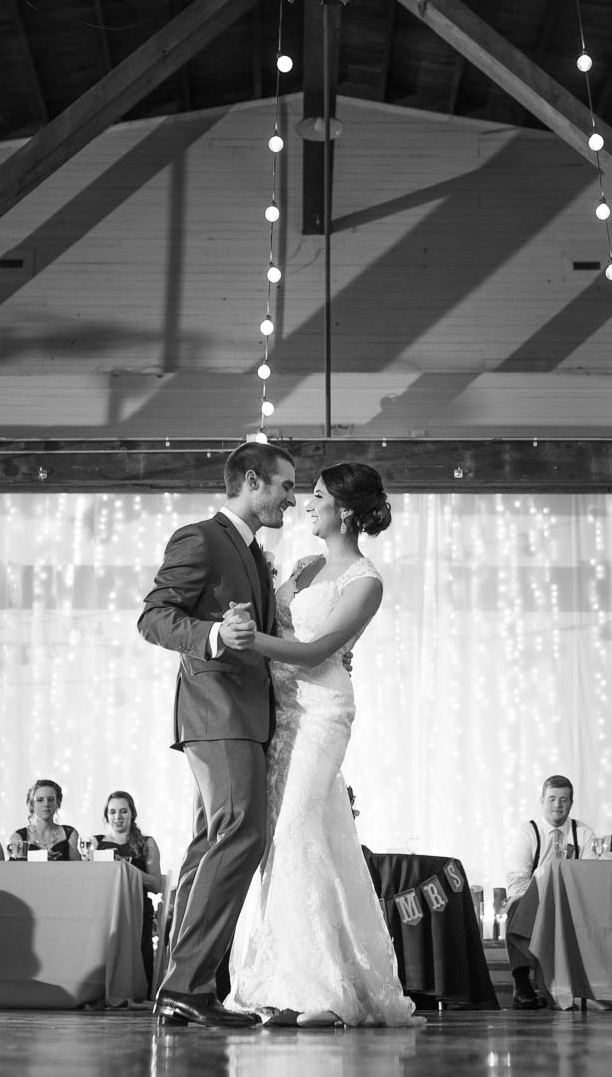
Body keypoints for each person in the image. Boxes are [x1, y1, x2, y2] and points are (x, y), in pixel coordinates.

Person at [221, 462, 420, 1028]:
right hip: (280, 712)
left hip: (322, 710)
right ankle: (285, 978)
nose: (307, 503)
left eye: (317, 495)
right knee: (290, 839)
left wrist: (248, 640)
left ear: (346, 510)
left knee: (297, 833)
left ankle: (312, 990)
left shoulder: (365, 581)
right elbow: (274, 617)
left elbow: (317, 651)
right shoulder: (306, 566)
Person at [138, 440, 295, 1029]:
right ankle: (187, 985)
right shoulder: (200, 538)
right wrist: (210, 636)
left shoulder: (255, 554)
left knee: (212, 846)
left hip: (245, 716)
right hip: (216, 711)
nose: (291, 497)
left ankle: (181, 989)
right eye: (284, 484)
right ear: (252, 482)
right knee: (242, 835)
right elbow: (153, 616)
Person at [502, 775, 585, 1010]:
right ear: (541, 800)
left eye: (563, 800)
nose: (558, 805)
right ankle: (521, 984)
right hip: (533, 901)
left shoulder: (583, 834)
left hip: (571, 904)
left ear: (571, 803)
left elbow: (591, 875)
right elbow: (517, 881)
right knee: (516, 907)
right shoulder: (528, 832)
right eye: (552, 799)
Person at [95, 790, 165, 983]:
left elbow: (156, 885)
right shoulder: (96, 843)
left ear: (132, 813)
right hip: (105, 909)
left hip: (138, 908)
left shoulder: (147, 843)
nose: (118, 817)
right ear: (106, 815)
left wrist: (127, 868)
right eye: (112, 812)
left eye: (123, 811)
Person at [7, 779, 82, 861]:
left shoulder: (69, 833)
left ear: (58, 803)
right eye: (40, 800)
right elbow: (13, 870)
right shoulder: (18, 837)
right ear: (31, 804)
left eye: (51, 799)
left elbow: (78, 868)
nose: (46, 804)